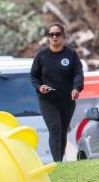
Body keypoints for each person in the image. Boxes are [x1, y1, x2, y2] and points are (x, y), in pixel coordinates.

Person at [30, 23, 84, 162]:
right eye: (51, 34)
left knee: (62, 131)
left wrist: (76, 88)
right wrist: (39, 87)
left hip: (67, 100)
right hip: (47, 100)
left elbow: (78, 74)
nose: (54, 37)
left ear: (63, 37)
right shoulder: (41, 56)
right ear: (48, 38)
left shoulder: (71, 54)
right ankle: (57, 163)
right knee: (55, 129)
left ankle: (60, 162)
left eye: (57, 34)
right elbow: (33, 76)